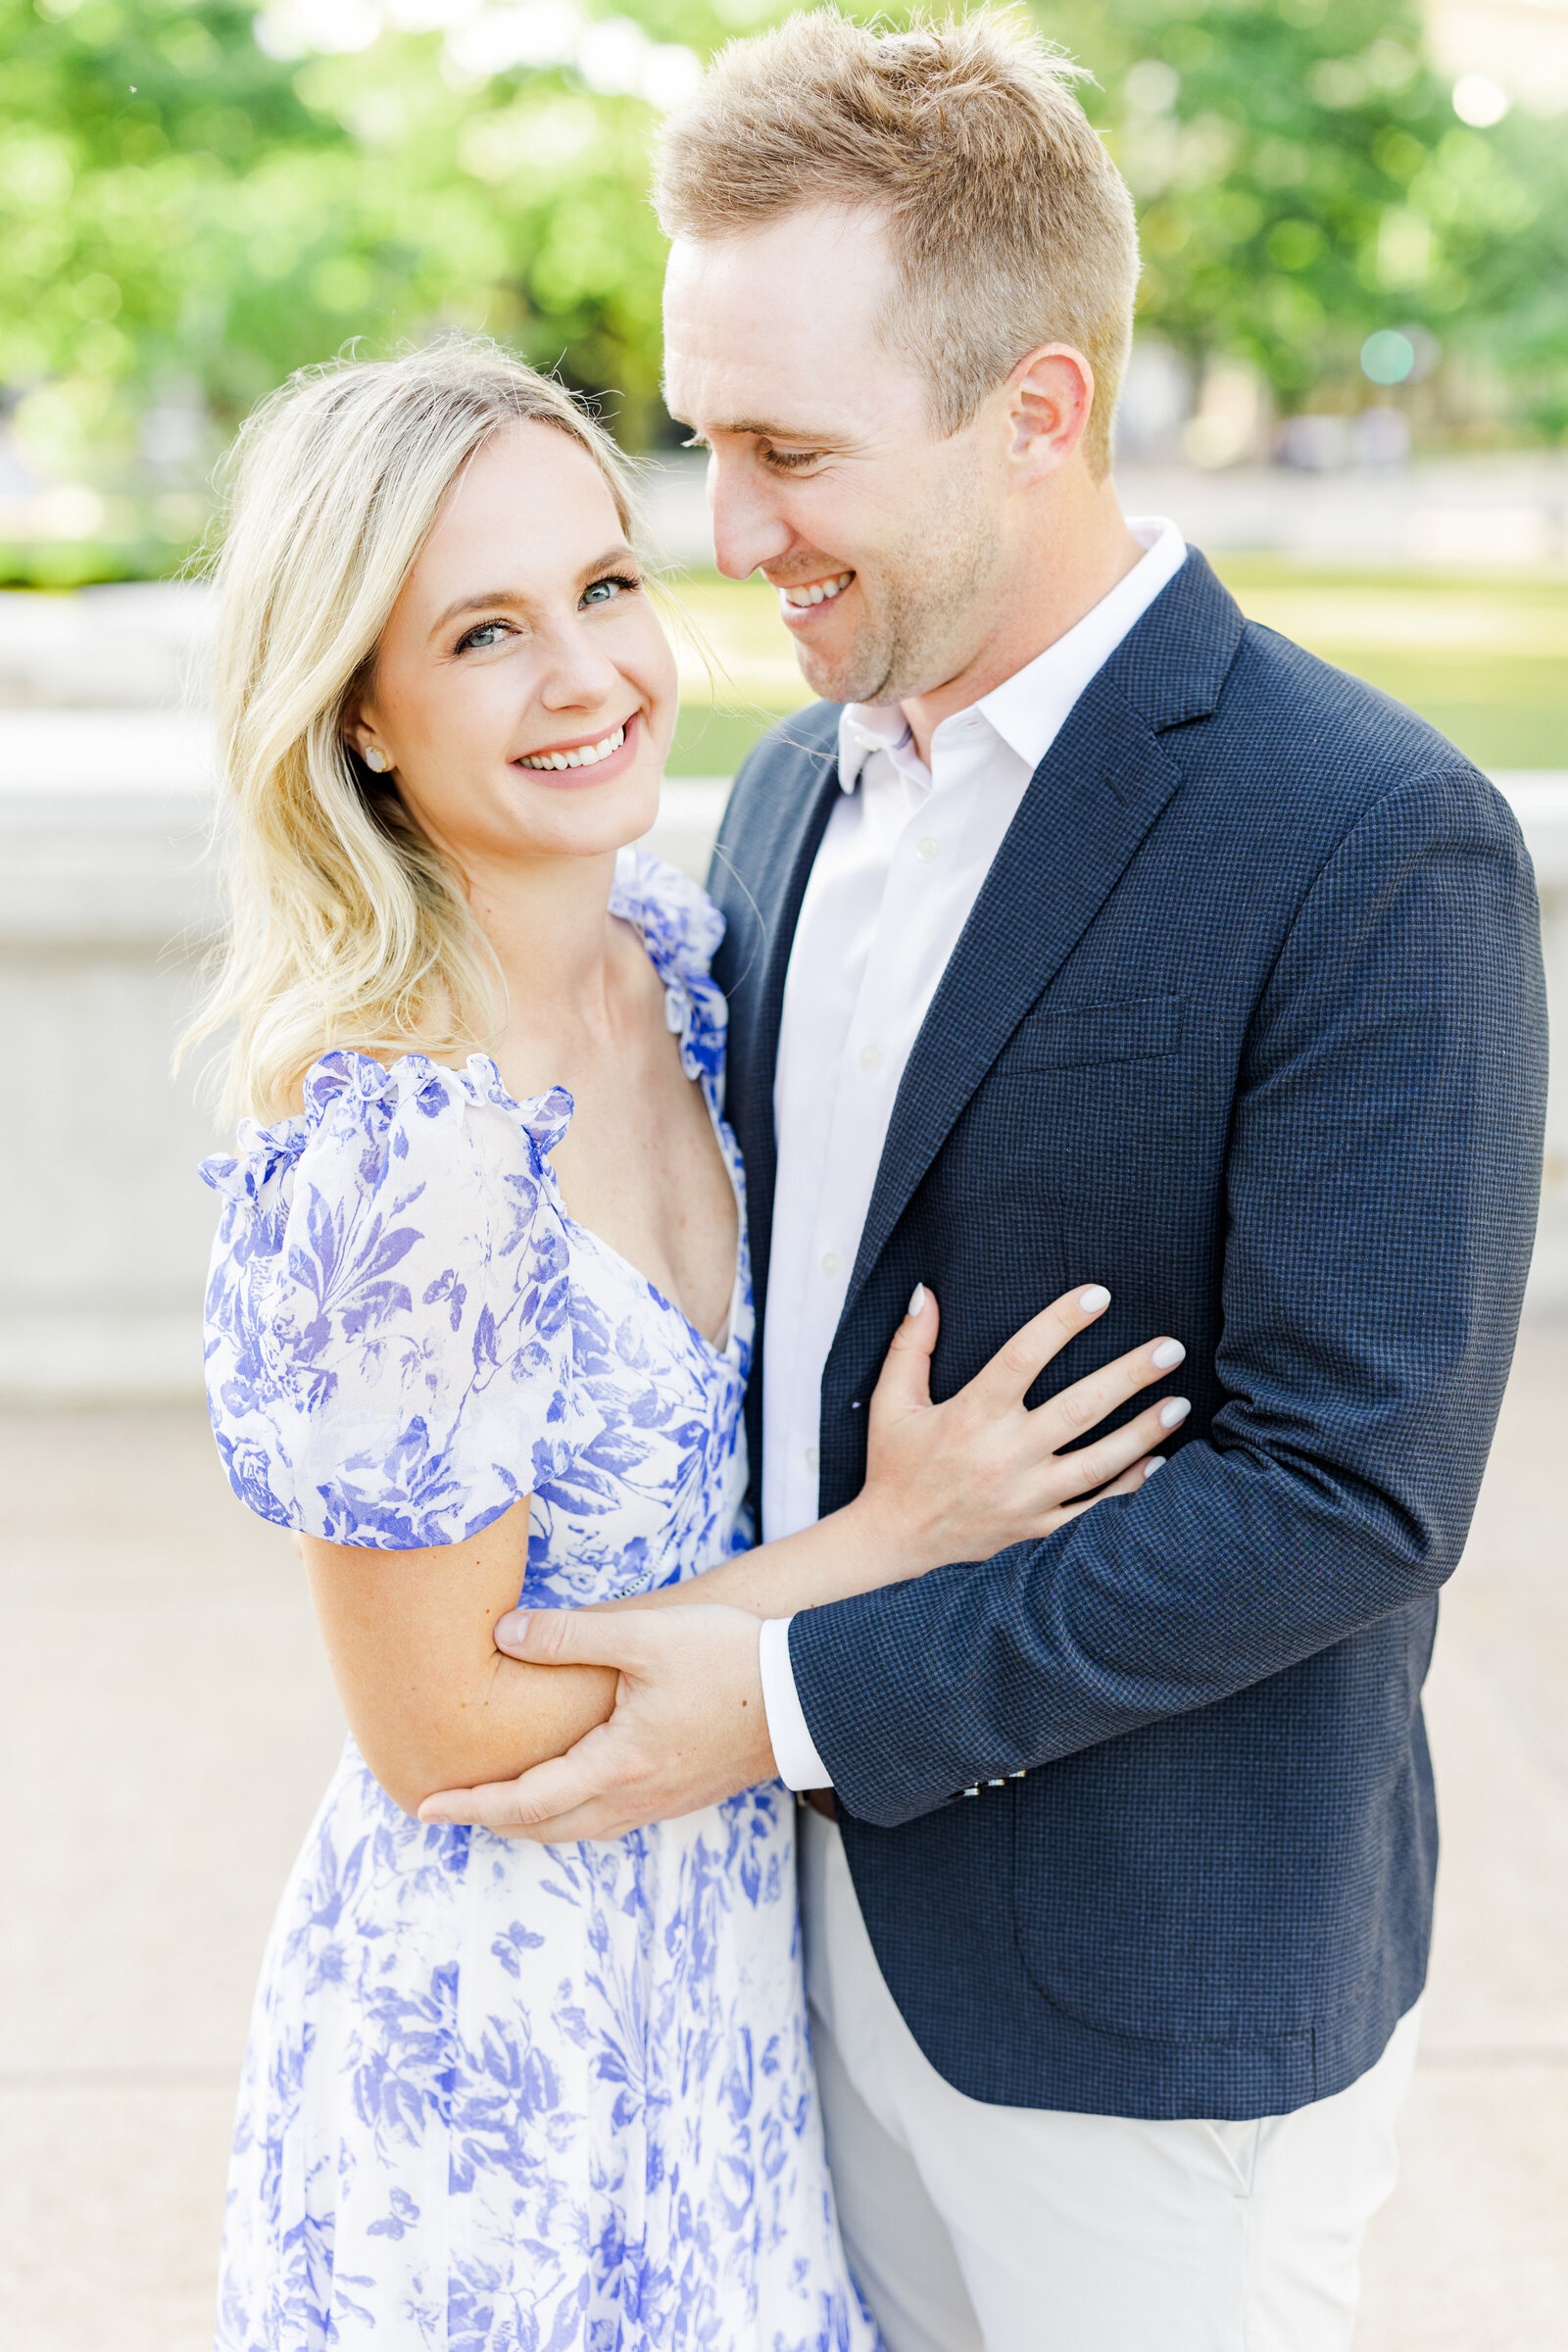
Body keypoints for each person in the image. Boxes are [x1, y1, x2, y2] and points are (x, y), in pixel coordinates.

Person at [423, 18, 1550, 2350]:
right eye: (700, 440)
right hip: (763, 1979)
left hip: (1136, 2040)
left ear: (1036, 411)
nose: (727, 536)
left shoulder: (1368, 838)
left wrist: (798, 1697)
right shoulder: (774, 795)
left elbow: (1346, 1492)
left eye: (789, 451)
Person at [190, 339, 1186, 2349]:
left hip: (716, 1993)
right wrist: (884, 1540)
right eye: (482, 632)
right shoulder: (406, 1144)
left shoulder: (677, 963)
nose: (587, 677)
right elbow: (441, 1732)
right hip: (488, 2071)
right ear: (360, 714)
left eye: (605, 586)